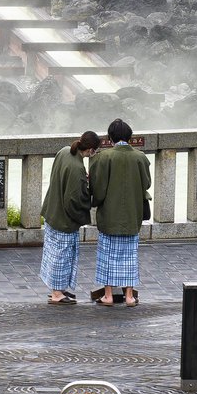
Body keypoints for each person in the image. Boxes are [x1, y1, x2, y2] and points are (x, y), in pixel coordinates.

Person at [87, 118, 151, 307]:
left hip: (109, 216)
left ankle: (108, 295)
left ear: (110, 137)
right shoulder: (140, 157)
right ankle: (129, 296)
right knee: (130, 255)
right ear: (129, 137)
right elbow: (146, 183)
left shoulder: (103, 158)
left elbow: (97, 189)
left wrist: (94, 200)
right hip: (132, 215)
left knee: (108, 255)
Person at [40, 131, 99, 304]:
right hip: (63, 220)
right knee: (62, 256)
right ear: (90, 150)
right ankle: (58, 294)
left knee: (52, 253)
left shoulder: (64, 151)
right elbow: (73, 201)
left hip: (52, 210)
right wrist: (86, 204)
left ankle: (57, 290)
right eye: (94, 151)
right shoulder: (77, 168)